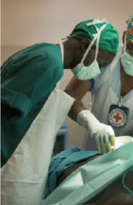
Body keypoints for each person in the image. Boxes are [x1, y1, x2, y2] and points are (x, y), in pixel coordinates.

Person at [1, 18, 118, 166]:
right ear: (85, 45)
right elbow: (6, 109)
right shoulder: (49, 64)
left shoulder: (45, 51)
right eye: (100, 63)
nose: (98, 70)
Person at [64, 10, 133, 154]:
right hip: (90, 153)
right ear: (124, 37)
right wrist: (89, 121)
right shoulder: (106, 58)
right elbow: (71, 94)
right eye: (132, 53)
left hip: (129, 158)